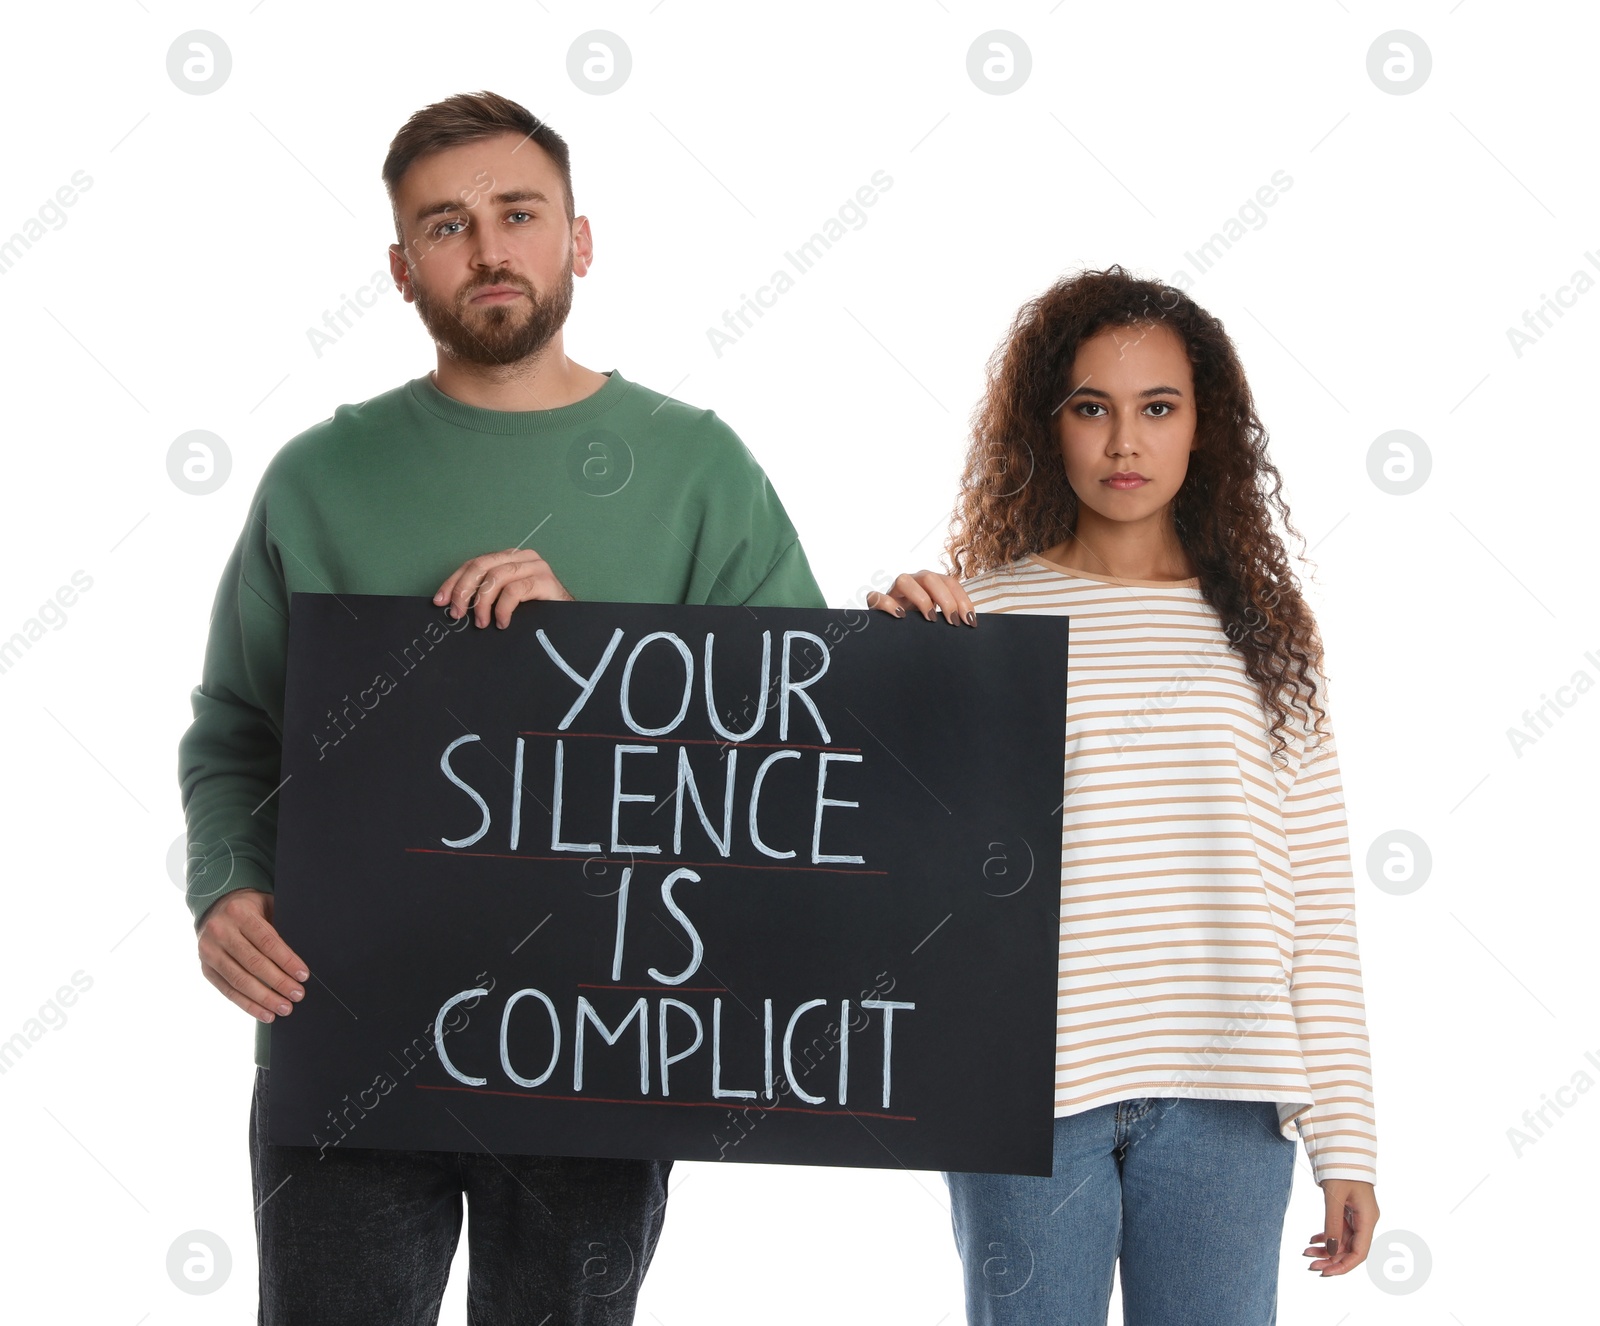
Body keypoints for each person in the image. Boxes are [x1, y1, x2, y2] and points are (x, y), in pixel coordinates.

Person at [176, 90, 825, 1325]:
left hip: (599, 1047)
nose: (487, 249)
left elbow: (788, 751)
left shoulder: (698, 469)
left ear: (579, 239)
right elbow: (234, 732)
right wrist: (224, 886)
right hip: (346, 1030)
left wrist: (593, 656)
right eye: (446, 224)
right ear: (401, 267)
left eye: (518, 214)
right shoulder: (318, 478)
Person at [867, 266, 1377, 1324]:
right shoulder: (982, 620)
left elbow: (1319, 904)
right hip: (1024, 1089)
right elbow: (899, 864)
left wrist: (1347, 1137)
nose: (1123, 443)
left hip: (1228, 1097)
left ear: (1205, 428)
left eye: (1157, 408)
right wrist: (894, 670)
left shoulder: (1267, 636)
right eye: (1091, 409)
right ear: (1047, 427)